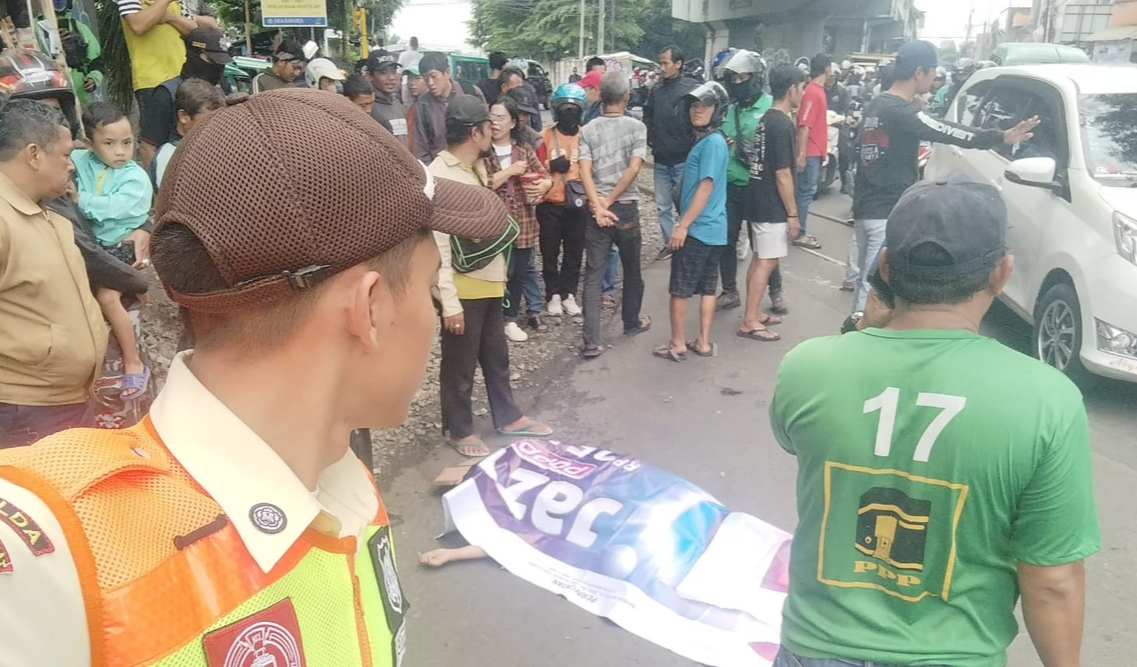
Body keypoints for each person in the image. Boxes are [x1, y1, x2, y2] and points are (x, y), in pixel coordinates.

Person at [0, 88, 510, 666]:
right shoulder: (55, 554)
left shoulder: (345, 483)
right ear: (369, 311)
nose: (433, 317)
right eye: (427, 288)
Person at [770, 176, 1099, 667]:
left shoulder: (807, 367)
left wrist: (867, 325)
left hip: (815, 648)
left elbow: (796, 441)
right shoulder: (1047, 400)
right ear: (1001, 273)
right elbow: (1052, 580)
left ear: (884, 267)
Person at [849, 40, 1038, 313]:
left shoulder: (875, 105)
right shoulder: (902, 111)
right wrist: (1000, 137)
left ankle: (857, 332)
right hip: (885, 209)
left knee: (864, 280)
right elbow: (944, 130)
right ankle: (859, 340)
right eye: (933, 71)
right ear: (919, 72)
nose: (934, 77)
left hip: (865, 206)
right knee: (876, 286)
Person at [430, 95, 553, 457]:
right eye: (488, 125)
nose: (494, 129)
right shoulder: (439, 174)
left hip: (491, 281)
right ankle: (459, 428)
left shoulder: (478, 169)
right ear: (475, 132)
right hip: (462, 289)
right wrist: (448, 303)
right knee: (460, 363)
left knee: (496, 357)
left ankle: (508, 416)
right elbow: (437, 245)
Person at [0, 99, 107, 448]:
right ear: (34, 155)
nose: (72, 166)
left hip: (66, 401)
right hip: (26, 410)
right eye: (64, 155)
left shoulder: (45, 212)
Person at [71, 102, 154, 398]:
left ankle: (133, 364)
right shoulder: (83, 160)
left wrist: (81, 200)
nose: (120, 151)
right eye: (109, 143)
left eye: (127, 142)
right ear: (90, 144)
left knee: (108, 298)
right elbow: (66, 151)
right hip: (101, 246)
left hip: (122, 245)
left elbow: (120, 208)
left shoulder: (134, 176)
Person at [654, 82, 729, 362]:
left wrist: (683, 225)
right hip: (716, 230)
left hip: (698, 229)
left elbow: (705, 186)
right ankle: (704, 342)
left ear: (717, 110)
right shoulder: (715, 141)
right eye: (694, 106)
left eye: (705, 106)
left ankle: (677, 343)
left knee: (680, 289)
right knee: (708, 288)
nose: (697, 111)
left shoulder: (711, 143)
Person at [579, 71, 651, 359]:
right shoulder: (637, 128)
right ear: (627, 97)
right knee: (632, 269)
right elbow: (634, 168)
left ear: (601, 96)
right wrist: (609, 201)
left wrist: (597, 205)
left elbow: (584, 170)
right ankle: (631, 322)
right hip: (625, 207)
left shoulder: (588, 128)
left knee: (593, 276)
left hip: (597, 210)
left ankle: (591, 341)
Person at [738, 64, 805, 344]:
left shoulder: (767, 119)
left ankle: (753, 312)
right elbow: (782, 172)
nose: (802, 93)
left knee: (760, 259)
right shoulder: (783, 124)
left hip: (757, 198)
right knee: (766, 262)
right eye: (801, 88)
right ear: (791, 90)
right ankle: (750, 320)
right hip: (772, 206)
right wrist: (793, 214)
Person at [485, 97, 554, 342]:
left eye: (500, 117)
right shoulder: (482, 150)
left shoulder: (523, 149)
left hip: (523, 221)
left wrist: (544, 184)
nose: (494, 123)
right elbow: (485, 182)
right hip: (492, 224)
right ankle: (493, 319)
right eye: (492, 116)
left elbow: (546, 177)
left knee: (518, 272)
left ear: (513, 123)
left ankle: (511, 318)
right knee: (495, 272)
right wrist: (511, 171)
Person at [716, 49, 778, 313]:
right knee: (727, 241)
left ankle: (776, 290)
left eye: (742, 77)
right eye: (733, 78)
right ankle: (730, 290)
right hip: (730, 186)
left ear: (755, 77)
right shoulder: (728, 110)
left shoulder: (770, 107)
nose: (737, 83)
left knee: (764, 243)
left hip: (759, 186)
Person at [138, 26, 229, 171]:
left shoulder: (223, 88)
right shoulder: (166, 93)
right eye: (213, 61)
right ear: (193, 54)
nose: (218, 67)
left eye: (222, 63)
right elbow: (148, 148)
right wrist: (160, 190)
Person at [536, 84, 588, 319]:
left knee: (574, 252)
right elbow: (534, 166)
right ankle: (552, 294)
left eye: (573, 109)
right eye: (564, 108)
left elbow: (592, 169)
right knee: (549, 252)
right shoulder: (545, 136)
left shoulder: (586, 135)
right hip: (550, 204)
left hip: (577, 204)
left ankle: (569, 293)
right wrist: (551, 166)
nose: (569, 113)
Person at [643, 45, 698, 256]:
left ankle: (688, 242)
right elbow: (648, 115)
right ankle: (670, 244)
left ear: (678, 64)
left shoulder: (691, 89)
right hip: (661, 159)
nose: (662, 67)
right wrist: (651, 138)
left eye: (666, 63)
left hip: (684, 158)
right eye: (661, 63)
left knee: (685, 205)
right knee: (662, 206)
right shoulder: (656, 90)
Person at [116, 0, 208, 120]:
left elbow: (194, 31)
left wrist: (170, 17)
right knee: (158, 136)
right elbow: (138, 25)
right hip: (152, 82)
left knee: (191, 134)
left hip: (183, 78)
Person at [410, 52, 485, 164]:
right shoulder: (422, 106)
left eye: (434, 76)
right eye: (426, 78)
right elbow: (420, 150)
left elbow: (486, 131)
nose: (430, 83)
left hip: (475, 166)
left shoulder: (471, 92)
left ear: (447, 73)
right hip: (443, 173)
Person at [151, 78, 224, 189]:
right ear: (184, 116)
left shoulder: (217, 148)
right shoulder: (168, 156)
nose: (214, 127)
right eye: (207, 121)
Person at [792, 53, 832, 251]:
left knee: (805, 192)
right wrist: (802, 154)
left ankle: (797, 230)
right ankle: (799, 233)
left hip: (814, 149)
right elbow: (804, 125)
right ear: (827, 69)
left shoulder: (816, 92)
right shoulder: (814, 93)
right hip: (810, 150)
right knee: (805, 192)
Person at [55, 0, 104, 107]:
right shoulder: (36, 27)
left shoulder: (81, 28)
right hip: (50, 94)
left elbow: (97, 62)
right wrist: (54, 43)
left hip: (79, 97)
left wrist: (93, 79)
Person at [366, 49, 408, 145]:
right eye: (383, 72)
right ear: (369, 75)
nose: (391, 77)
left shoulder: (398, 104)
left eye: (394, 72)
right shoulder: (368, 109)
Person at [504, 87, 543, 151]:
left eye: (526, 114)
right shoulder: (493, 132)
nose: (521, 118)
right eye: (518, 112)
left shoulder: (534, 139)